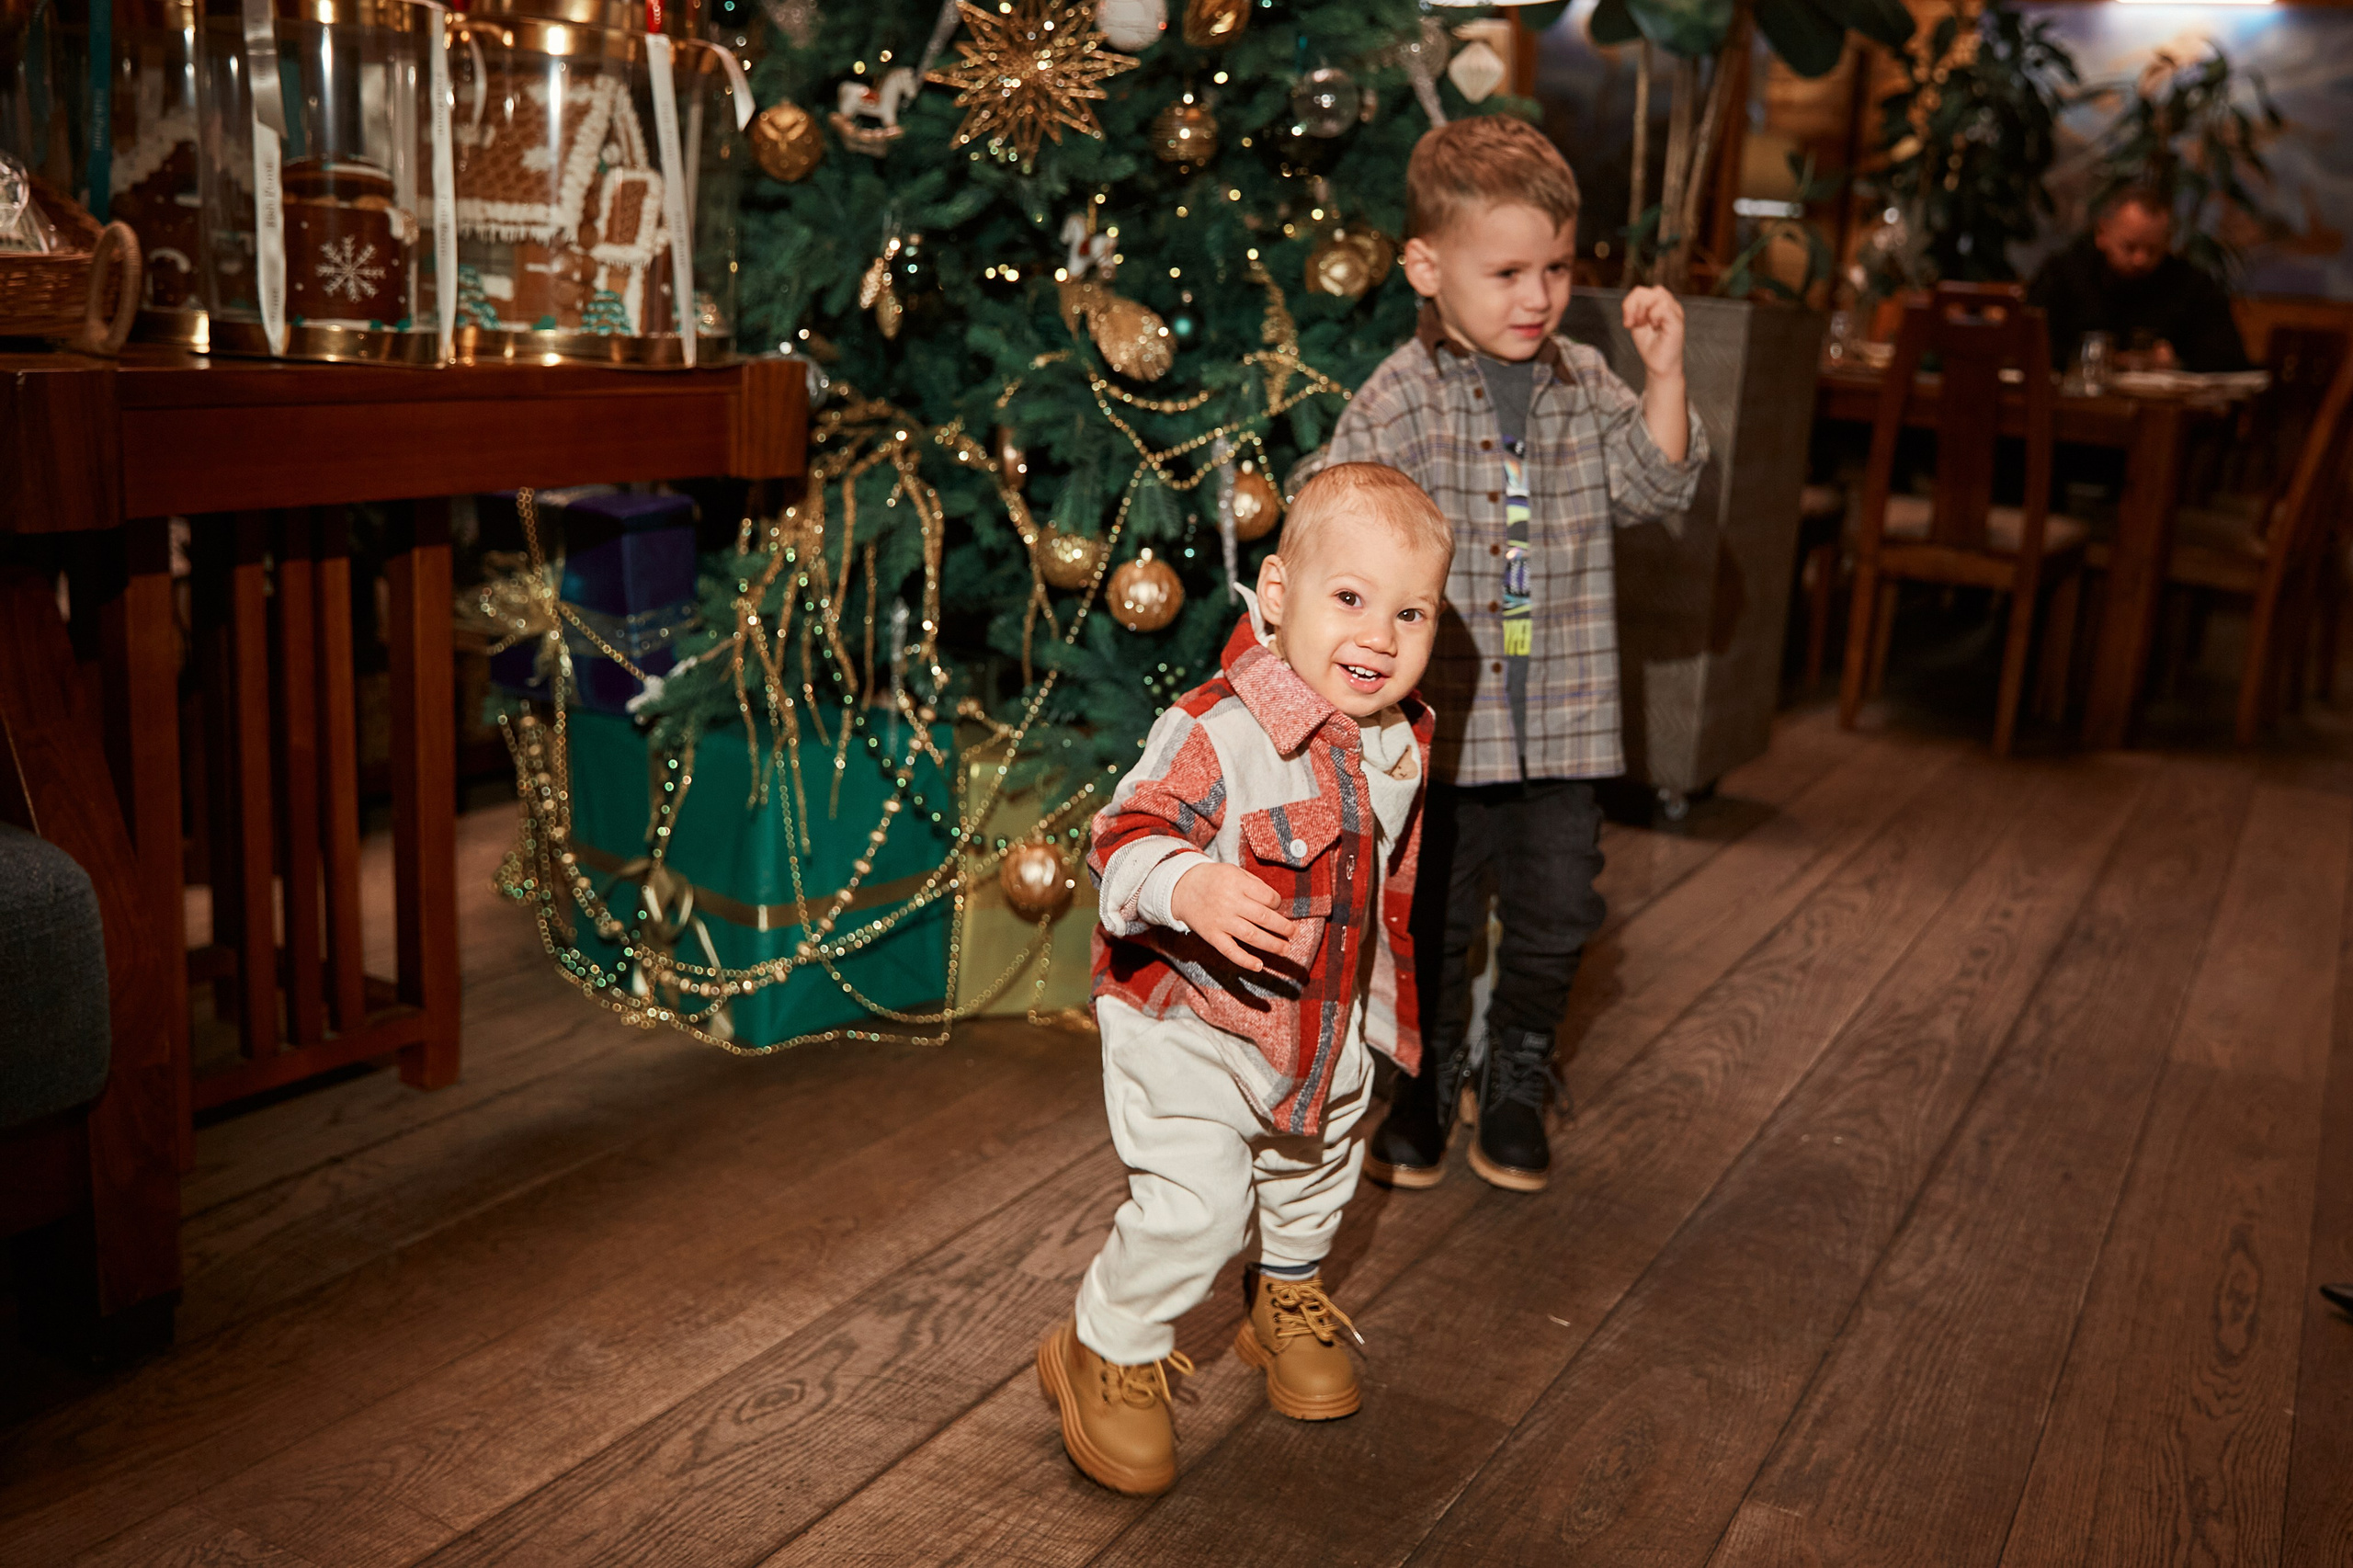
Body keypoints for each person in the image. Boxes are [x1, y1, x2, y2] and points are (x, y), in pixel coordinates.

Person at [1037, 463, 1453, 1496]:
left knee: (1318, 1163)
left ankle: (1286, 1295)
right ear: (1277, 596)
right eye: (1348, 599)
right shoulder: (1216, 728)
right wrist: (1190, 886)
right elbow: (1119, 838)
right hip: (1188, 1021)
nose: (1380, 636)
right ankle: (1108, 1344)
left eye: (1411, 611)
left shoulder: (1398, 735)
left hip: (1320, 1016)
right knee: (1198, 1205)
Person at [1324, 113, 1706, 1195]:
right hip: (1444, 737)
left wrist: (1666, 372)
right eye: (1506, 271)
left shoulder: (1584, 382)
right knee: (1433, 924)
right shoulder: (1398, 396)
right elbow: (1340, 521)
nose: (1536, 296)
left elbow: (1659, 483)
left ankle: (1519, 1071)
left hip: (1567, 729)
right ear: (1426, 265)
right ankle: (1429, 1073)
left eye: (1554, 267)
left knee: (1555, 915)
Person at [2027, 187, 2252, 373]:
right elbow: (2032, 344)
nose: (2140, 259)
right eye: (2130, 247)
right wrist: (2108, 361)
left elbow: (2228, 358)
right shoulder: (2064, 274)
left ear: (2168, 242)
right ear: (2103, 234)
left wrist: (2176, 363)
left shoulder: (2191, 284)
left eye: (2152, 249)